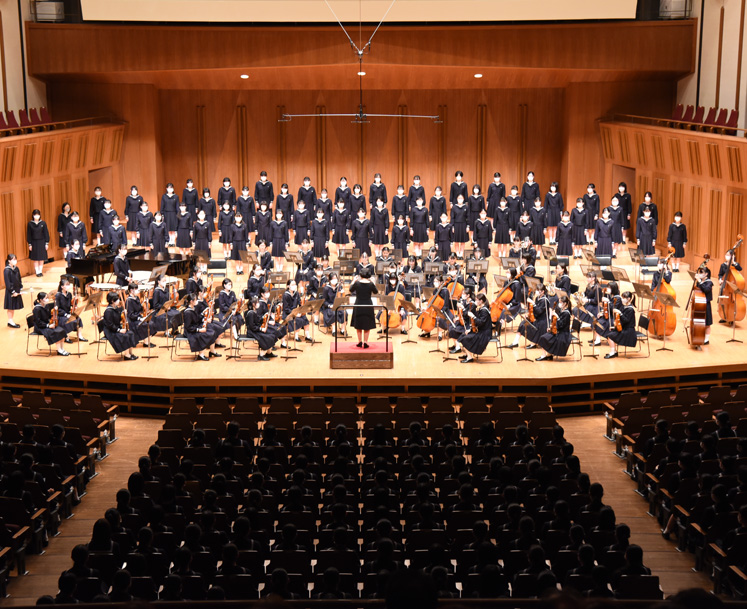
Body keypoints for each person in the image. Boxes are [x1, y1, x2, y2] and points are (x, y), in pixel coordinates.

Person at [182, 293, 222, 361]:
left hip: (195, 327)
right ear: (191, 301)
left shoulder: (193, 308)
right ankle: (201, 354)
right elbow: (188, 327)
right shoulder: (187, 313)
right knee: (208, 334)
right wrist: (199, 330)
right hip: (190, 332)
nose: (197, 301)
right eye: (196, 300)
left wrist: (205, 319)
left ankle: (212, 351)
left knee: (213, 331)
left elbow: (197, 318)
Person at [101, 291, 138, 360]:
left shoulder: (116, 308)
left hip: (116, 328)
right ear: (112, 301)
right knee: (125, 336)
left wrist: (123, 312)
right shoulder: (108, 311)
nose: (119, 300)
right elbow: (110, 325)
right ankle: (127, 355)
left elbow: (118, 318)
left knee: (130, 333)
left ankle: (130, 353)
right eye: (117, 299)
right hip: (110, 331)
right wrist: (119, 330)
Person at [456, 293, 492, 363]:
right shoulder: (481, 309)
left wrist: (473, 316)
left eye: (476, 300)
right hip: (481, 330)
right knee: (464, 334)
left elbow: (481, 323)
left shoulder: (484, 311)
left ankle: (469, 358)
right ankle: (467, 354)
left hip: (485, 334)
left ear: (481, 301)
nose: (475, 302)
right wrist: (470, 329)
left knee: (465, 338)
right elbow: (478, 323)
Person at [32, 292, 71, 356]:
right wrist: (48, 325)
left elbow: (49, 316)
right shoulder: (37, 309)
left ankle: (62, 349)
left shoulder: (45, 306)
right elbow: (38, 322)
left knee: (61, 330)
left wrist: (55, 310)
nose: (47, 299)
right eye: (46, 298)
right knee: (57, 332)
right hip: (40, 328)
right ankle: (59, 350)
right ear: (41, 300)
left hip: (47, 325)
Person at [349, 267, 378, 347]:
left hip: (358, 303)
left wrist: (353, 281)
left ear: (360, 275)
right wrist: (374, 282)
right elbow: (376, 292)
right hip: (368, 304)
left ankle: (359, 341)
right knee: (366, 324)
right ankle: (365, 342)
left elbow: (351, 290)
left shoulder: (357, 283)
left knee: (358, 323)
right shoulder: (371, 284)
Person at [537, 295, 572, 361]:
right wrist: (551, 328)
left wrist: (557, 317)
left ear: (565, 304)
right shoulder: (561, 310)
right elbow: (557, 324)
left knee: (544, 338)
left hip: (563, 334)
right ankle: (549, 354)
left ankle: (544, 355)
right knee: (545, 336)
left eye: (561, 302)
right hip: (559, 331)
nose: (559, 304)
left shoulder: (566, 314)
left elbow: (561, 325)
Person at [243, 297, 278, 361]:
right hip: (252, 332)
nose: (259, 304)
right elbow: (252, 327)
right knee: (267, 337)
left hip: (255, 330)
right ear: (253, 304)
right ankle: (261, 355)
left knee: (272, 334)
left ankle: (269, 352)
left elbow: (258, 320)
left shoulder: (254, 311)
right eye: (257, 303)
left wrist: (265, 317)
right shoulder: (250, 313)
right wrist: (261, 329)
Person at [605, 291, 637, 359]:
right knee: (610, 333)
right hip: (624, 328)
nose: (622, 299)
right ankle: (614, 351)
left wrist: (620, 313)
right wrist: (615, 326)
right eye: (622, 297)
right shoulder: (624, 306)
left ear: (628, 299)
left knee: (610, 336)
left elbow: (626, 320)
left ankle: (612, 352)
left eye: (623, 298)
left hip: (629, 331)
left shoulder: (630, 310)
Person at [55, 278, 86, 342]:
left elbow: (70, 305)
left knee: (78, 319)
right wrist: (66, 314)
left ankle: (79, 336)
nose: (68, 286)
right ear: (62, 287)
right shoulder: (58, 295)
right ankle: (66, 337)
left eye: (69, 285)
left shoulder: (69, 294)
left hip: (68, 313)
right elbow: (58, 309)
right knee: (67, 321)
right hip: (61, 315)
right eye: (66, 285)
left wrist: (74, 305)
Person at [694, 264, 714, 345]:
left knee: (707, 323)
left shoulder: (709, 282)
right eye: (699, 272)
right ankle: (698, 336)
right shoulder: (700, 281)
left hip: (706, 304)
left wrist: (699, 281)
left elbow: (706, 290)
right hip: (699, 303)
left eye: (702, 272)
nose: (700, 274)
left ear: (706, 274)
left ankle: (706, 339)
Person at [27, 209, 50, 277]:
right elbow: (29, 234)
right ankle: (37, 271)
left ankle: (40, 271)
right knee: (35, 258)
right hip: (34, 242)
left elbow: (46, 233)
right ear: (33, 215)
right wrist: (30, 244)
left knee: (41, 257)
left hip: (42, 242)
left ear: (40, 215)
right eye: (35, 215)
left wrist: (46, 243)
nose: (36, 216)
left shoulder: (43, 223)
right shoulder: (30, 224)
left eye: (38, 214)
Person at [4, 254, 23, 328]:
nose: (15, 261)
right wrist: (13, 292)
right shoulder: (6, 270)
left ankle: (11, 320)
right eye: (13, 259)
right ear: (9, 261)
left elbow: (19, 278)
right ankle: (10, 320)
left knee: (13, 306)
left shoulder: (16, 268)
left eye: (15, 259)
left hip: (17, 289)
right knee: (10, 306)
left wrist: (20, 287)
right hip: (10, 291)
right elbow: (7, 283)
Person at [451, 193, 469, 258]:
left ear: (463, 199)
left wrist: (468, 226)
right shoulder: (454, 207)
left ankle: (461, 254)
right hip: (456, 225)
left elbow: (468, 217)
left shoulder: (466, 207)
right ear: (457, 199)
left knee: (462, 241)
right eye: (459, 198)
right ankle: (457, 253)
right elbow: (452, 217)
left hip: (463, 225)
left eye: (461, 198)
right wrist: (452, 226)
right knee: (456, 241)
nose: (460, 199)